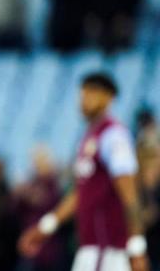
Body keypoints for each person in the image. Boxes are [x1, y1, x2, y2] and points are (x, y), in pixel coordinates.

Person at [18, 72, 150, 271]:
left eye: (91, 94)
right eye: (82, 94)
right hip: (91, 248)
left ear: (108, 98)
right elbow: (81, 193)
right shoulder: (89, 138)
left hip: (109, 249)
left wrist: (137, 247)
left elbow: (129, 193)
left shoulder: (114, 136)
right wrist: (46, 227)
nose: (84, 101)